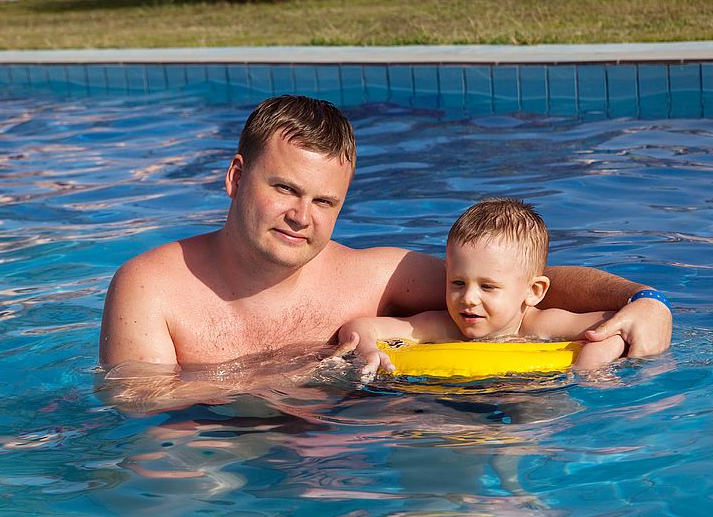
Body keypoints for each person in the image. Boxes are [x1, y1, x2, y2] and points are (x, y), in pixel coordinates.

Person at [99, 95, 671, 407]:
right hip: (208, 453)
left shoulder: (374, 275)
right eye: (284, 189)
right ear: (235, 177)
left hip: (349, 449)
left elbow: (511, 283)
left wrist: (644, 300)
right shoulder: (151, 286)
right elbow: (136, 405)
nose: (303, 216)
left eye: (325, 200)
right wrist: (289, 378)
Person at [338, 198, 628, 375]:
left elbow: (612, 331)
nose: (469, 298)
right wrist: (366, 350)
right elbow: (359, 326)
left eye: (487, 287)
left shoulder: (540, 325)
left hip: (529, 391)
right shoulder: (440, 326)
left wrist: (588, 369)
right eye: (458, 283)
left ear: (534, 291)